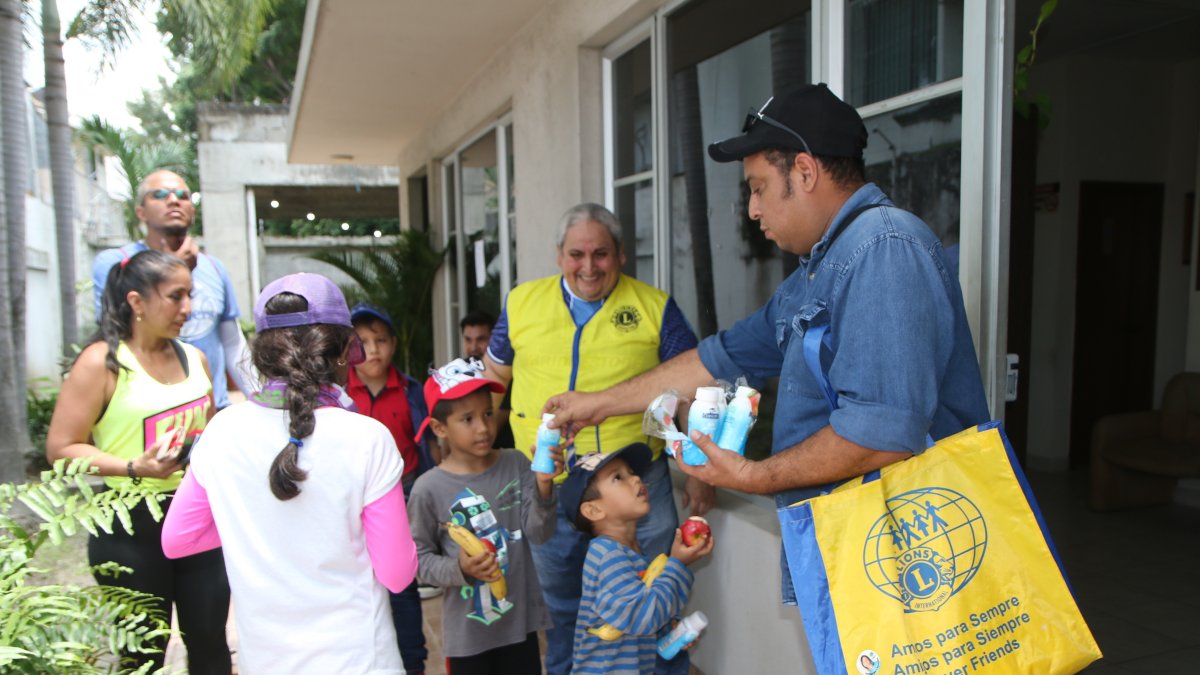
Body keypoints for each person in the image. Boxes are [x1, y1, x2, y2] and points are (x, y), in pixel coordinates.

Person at [544, 84, 990, 604]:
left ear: (804, 171)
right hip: (860, 544)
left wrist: (754, 476)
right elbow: (720, 358)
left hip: (910, 557)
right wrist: (596, 404)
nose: (753, 210)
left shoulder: (883, 249)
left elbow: (880, 434)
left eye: (757, 187)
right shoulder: (816, 273)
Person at [482, 203, 710, 675]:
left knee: (658, 602)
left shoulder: (655, 307)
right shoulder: (521, 302)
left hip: (634, 478)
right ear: (559, 255)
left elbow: (692, 388)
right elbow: (494, 380)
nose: (588, 266)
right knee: (563, 609)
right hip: (551, 485)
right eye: (576, 254)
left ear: (621, 255)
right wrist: (482, 454)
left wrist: (700, 470)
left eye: (601, 254)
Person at [160, 273, 418, 674]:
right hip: (359, 661)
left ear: (262, 352)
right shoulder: (368, 438)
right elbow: (398, 574)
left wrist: (252, 525)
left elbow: (177, 540)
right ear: (344, 350)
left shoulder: (221, 432)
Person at [46, 249, 231, 673]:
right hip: (128, 527)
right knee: (142, 655)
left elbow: (209, 434)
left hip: (196, 519)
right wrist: (133, 467)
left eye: (190, 295)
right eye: (175, 296)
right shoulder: (102, 363)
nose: (188, 308)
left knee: (210, 645)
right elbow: (61, 448)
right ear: (136, 302)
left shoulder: (195, 358)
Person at [408, 358, 562, 674]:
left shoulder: (516, 464)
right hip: (468, 638)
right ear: (439, 428)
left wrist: (544, 486)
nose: (483, 427)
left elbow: (539, 533)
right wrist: (458, 568)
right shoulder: (428, 489)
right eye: (467, 419)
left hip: (521, 626)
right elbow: (418, 562)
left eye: (488, 414)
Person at [93, 169, 254, 410]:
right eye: (159, 194)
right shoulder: (118, 262)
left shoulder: (213, 267)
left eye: (183, 195)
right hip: (147, 414)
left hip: (211, 410)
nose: (173, 200)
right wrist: (174, 270)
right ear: (141, 212)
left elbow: (232, 342)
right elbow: (114, 332)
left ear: (193, 210)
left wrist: (259, 398)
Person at [566, 443, 713, 675]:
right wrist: (678, 565)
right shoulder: (608, 557)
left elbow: (639, 617)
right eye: (618, 478)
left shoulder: (629, 552)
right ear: (593, 511)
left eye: (632, 473)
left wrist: (669, 631)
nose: (635, 480)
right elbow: (644, 617)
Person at [347, 301, 438, 673]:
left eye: (380, 340)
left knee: (402, 583)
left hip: (405, 493)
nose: (372, 350)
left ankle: (413, 660)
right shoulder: (338, 394)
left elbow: (427, 442)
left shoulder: (410, 390)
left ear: (394, 344)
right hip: (354, 502)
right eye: (362, 342)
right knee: (361, 582)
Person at [461, 310, 515, 450]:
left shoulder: (506, 371)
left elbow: (498, 419)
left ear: (494, 339)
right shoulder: (459, 370)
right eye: (468, 340)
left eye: (481, 339)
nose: (473, 347)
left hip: (503, 452)